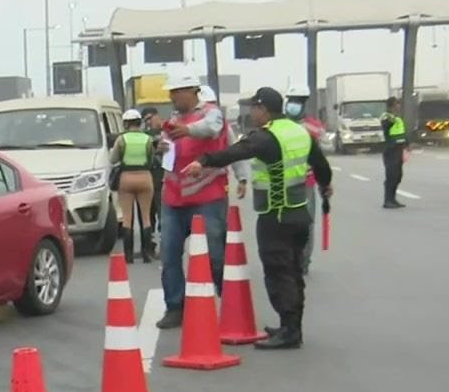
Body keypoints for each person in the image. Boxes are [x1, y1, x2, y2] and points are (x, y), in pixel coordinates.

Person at [181, 87, 332, 350]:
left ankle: (289, 331)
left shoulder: (267, 136)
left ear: (263, 109)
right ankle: (292, 325)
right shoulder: (300, 132)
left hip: (276, 215)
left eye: (254, 108)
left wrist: (203, 160)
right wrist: (325, 184)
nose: (252, 113)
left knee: (278, 271)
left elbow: (237, 151)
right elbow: (320, 165)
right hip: (298, 212)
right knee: (294, 271)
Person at [153, 71, 246, 329]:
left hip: (208, 196)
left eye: (176, 93)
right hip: (173, 197)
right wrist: (160, 148)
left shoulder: (212, 113)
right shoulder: (172, 121)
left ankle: (228, 300)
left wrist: (242, 177)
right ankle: (175, 307)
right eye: (171, 93)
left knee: (215, 254)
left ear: (192, 91)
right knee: (170, 255)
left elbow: (217, 133)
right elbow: (167, 151)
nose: (173, 98)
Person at [285, 85, 326, 274]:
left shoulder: (314, 127)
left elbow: (320, 157)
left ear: (304, 103)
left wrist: (325, 182)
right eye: (291, 99)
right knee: (283, 224)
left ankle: (303, 261)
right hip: (281, 182)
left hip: (306, 182)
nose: (293, 104)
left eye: (298, 100)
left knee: (306, 224)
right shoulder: (278, 125)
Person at [110, 108, 156, 262]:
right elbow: (151, 159)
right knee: (146, 217)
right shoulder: (147, 139)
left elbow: (113, 159)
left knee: (127, 217)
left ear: (126, 124)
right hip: (145, 177)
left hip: (126, 178)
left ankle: (128, 256)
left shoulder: (121, 140)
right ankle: (146, 253)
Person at [381, 96, 409, 209]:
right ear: (392, 105)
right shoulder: (386, 116)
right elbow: (386, 126)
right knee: (391, 176)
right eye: (397, 104)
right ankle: (387, 200)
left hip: (399, 149)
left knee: (398, 176)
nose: (399, 106)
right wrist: (393, 117)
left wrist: (407, 144)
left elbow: (402, 132)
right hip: (391, 150)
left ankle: (393, 199)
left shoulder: (397, 118)